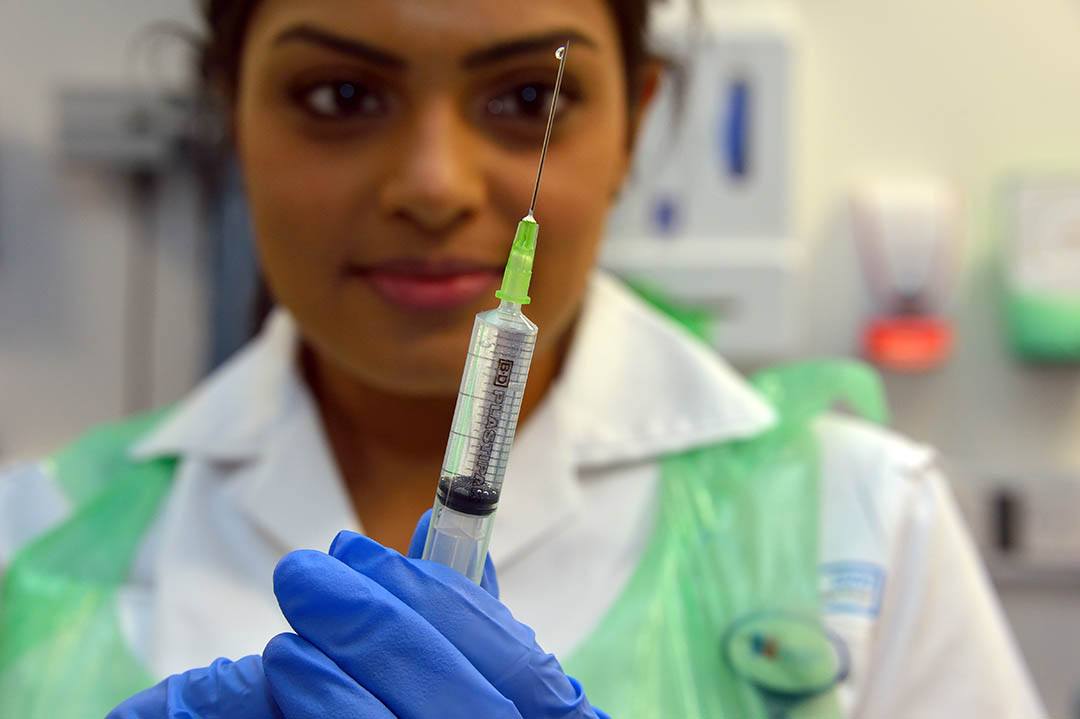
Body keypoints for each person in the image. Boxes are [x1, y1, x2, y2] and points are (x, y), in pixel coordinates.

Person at [0, 0, 1045, 717]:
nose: (434, 184)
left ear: (635, 121)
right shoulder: (29, 549)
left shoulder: (862, 519)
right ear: (230, 112)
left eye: (523, 101)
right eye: (340, 96)